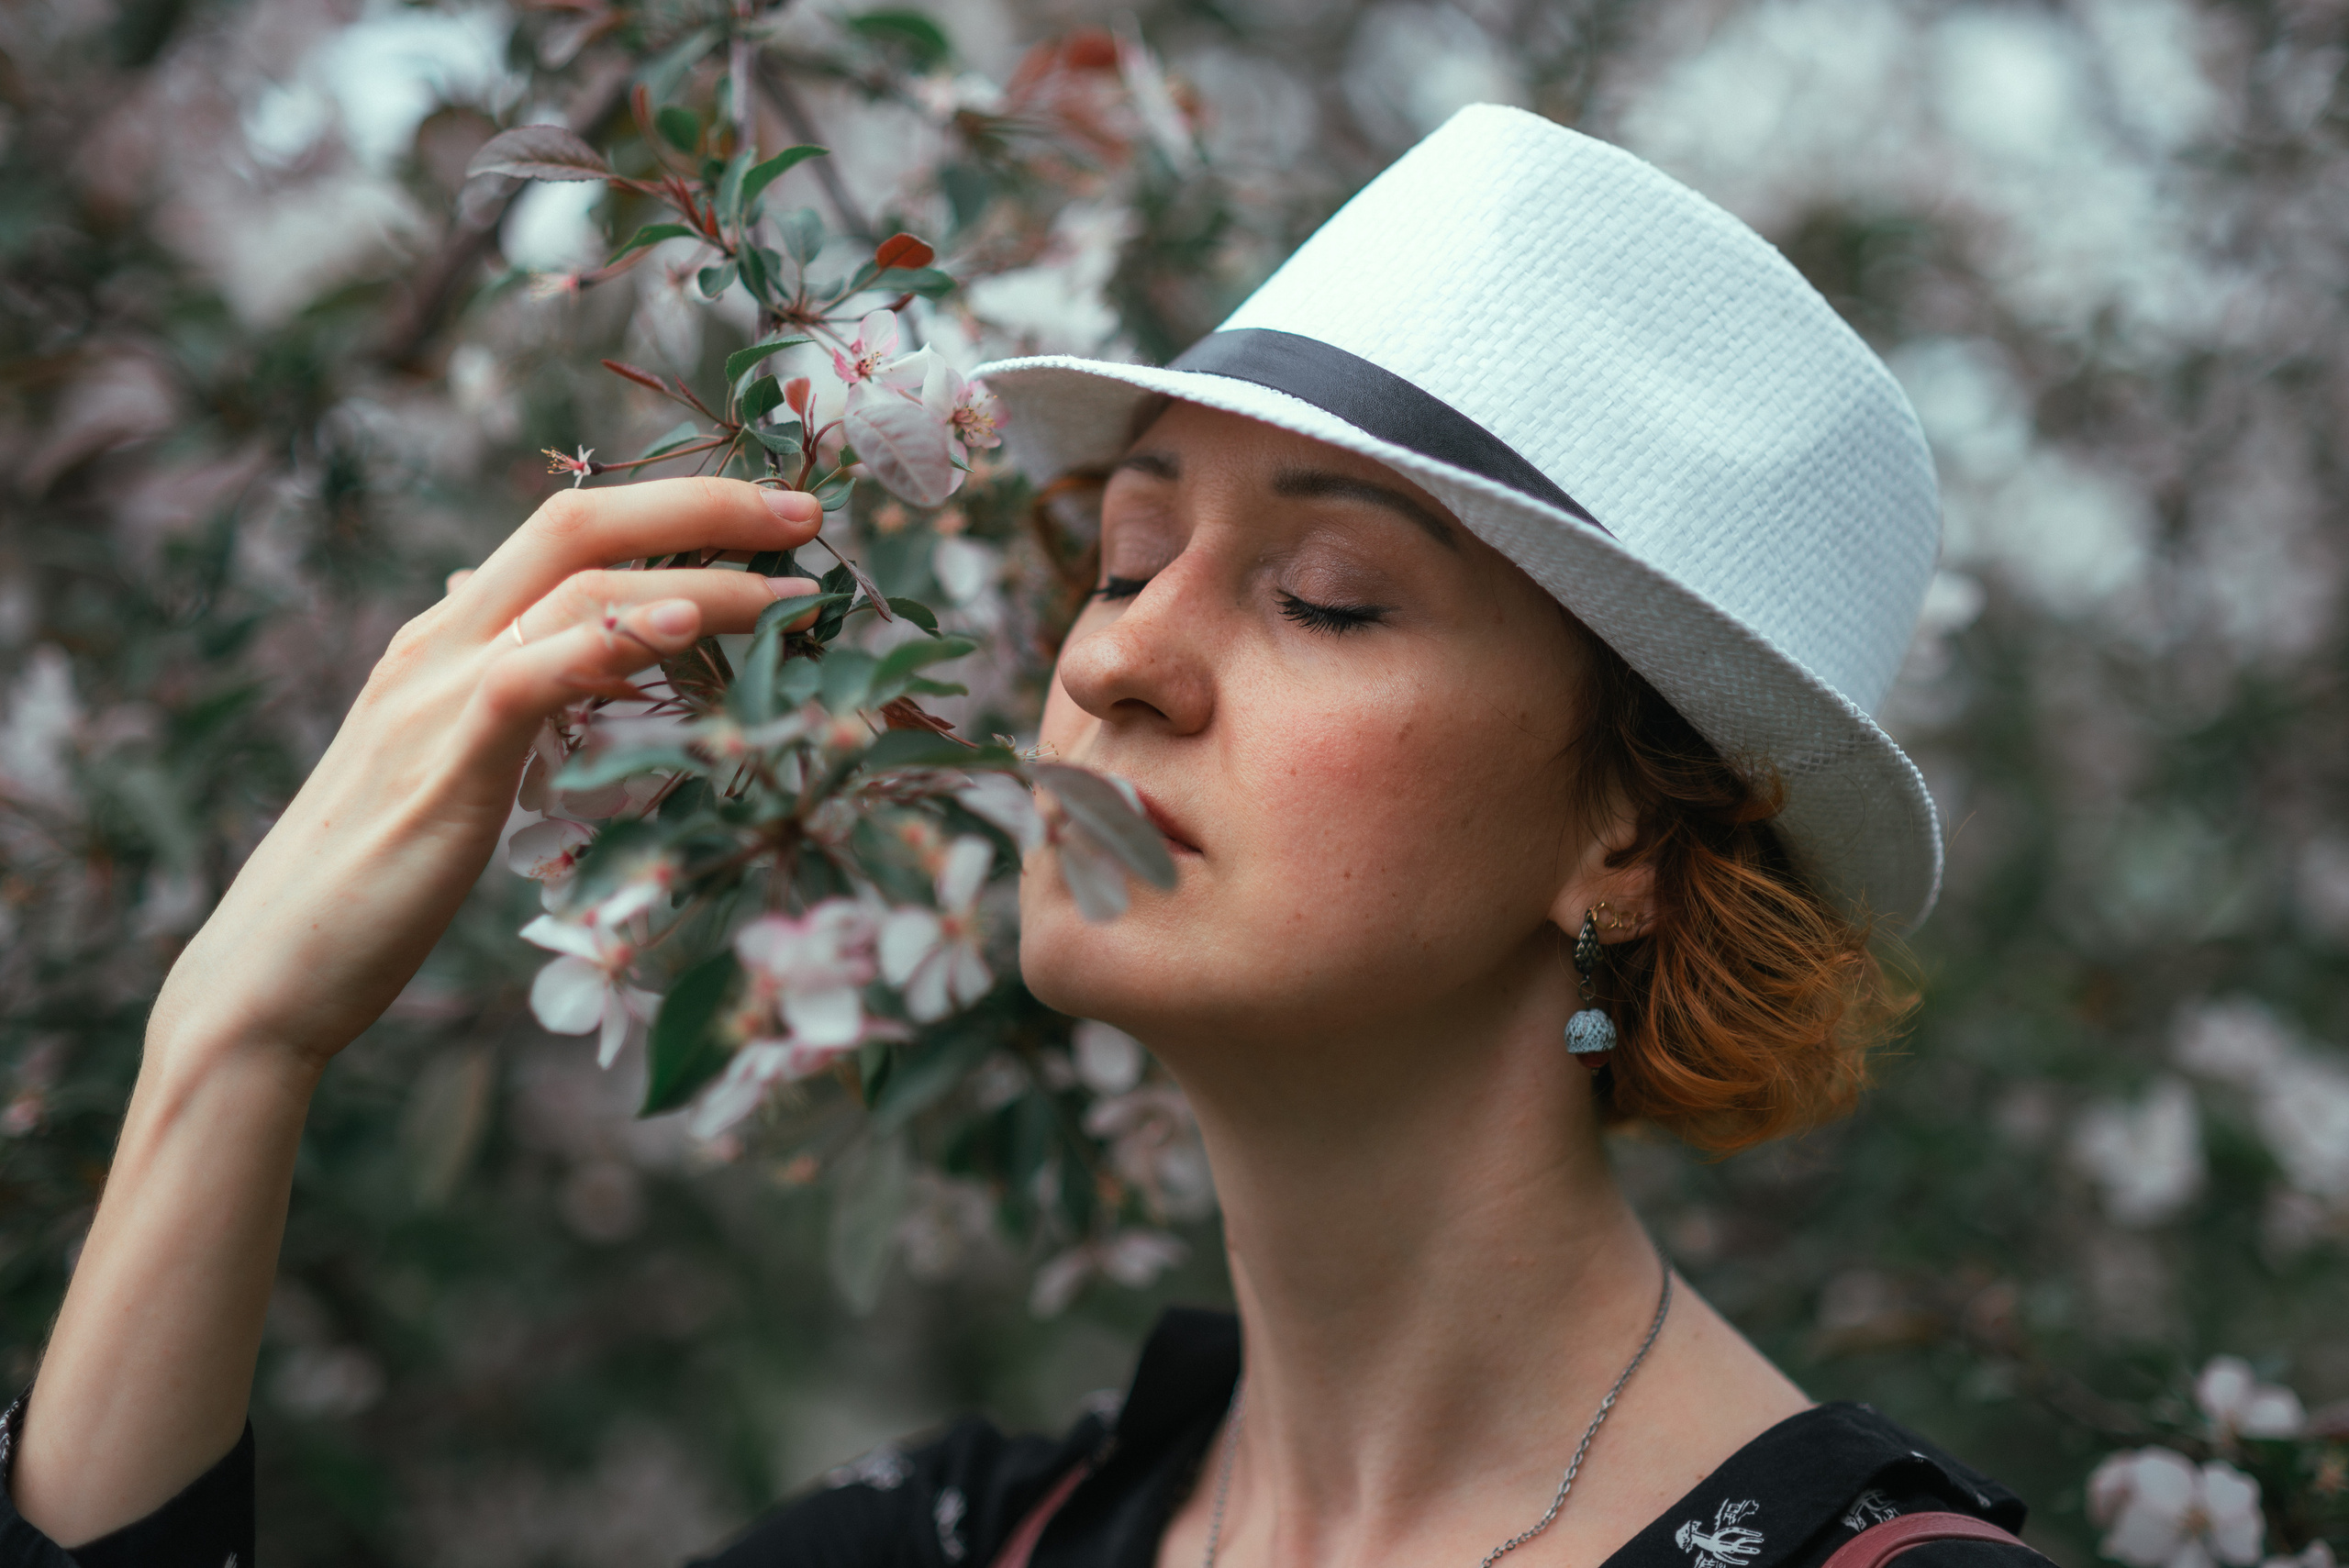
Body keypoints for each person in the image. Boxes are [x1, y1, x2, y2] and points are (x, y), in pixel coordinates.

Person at [0, 106, 2046, 1568]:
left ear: (1630, 834)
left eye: (1324, 596)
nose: (1123, 659)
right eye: (1124, 552)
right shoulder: (955, 1537)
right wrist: (230, 1047)